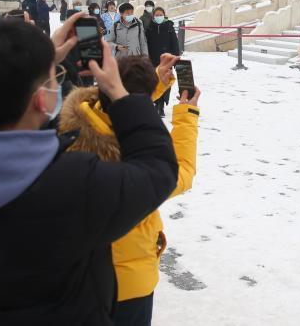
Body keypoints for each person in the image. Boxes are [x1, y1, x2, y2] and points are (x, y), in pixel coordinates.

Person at [0, 14, 178, 324]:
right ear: (41, 101)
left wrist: (37, 62)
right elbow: (158, 169)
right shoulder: (75, 184)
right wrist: (119, 92)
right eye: (53, 78)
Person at [58, 54, 198, 325]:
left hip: (78, 273)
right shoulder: (134, 158)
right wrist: (186, 115)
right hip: (130, 281)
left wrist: (153, 81)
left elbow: (119, 102)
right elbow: (176, 172)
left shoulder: (74, 121)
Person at [145, 7, 180, 116]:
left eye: (161, 15)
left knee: (165, 82)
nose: (158, 17)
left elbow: (175, 43)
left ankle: (161, 106)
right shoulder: (150, 27)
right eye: (157, 15)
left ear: (164, 15)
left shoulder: (169, 26)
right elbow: (146, 43)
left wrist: (175, 58)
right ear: (153, 16)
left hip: (167, 59)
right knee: (154, 82)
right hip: (153, 59)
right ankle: (155, 103)